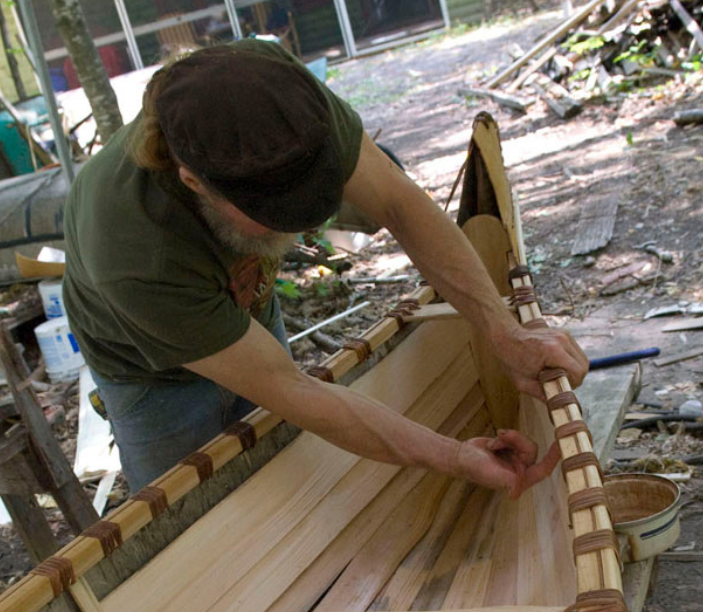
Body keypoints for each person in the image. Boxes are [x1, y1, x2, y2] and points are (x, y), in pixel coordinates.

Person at [59, 38, 589, 497]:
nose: (290, 230)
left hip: (239, 302)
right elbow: (295, 390)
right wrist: (451, 456)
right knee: (192, 507)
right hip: (149, 373)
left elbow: (398, 203)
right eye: (271, 218)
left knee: (284, 464)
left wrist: (503, 330)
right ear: (194, 181)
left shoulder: (283, 98)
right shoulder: (132, 249)